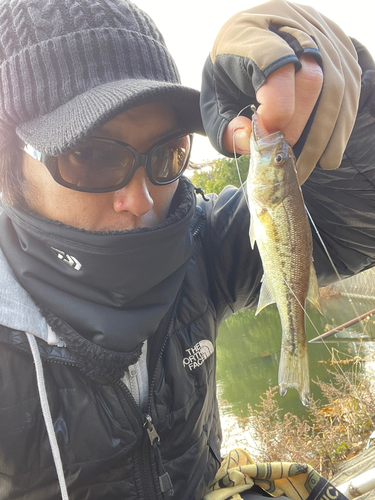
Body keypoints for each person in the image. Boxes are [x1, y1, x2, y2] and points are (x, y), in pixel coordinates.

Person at [0, 0, 374, 499]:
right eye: (89, 155)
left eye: (167, 154)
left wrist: (354, 103)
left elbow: (357, 219)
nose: (140, 200)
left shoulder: (202, 239)